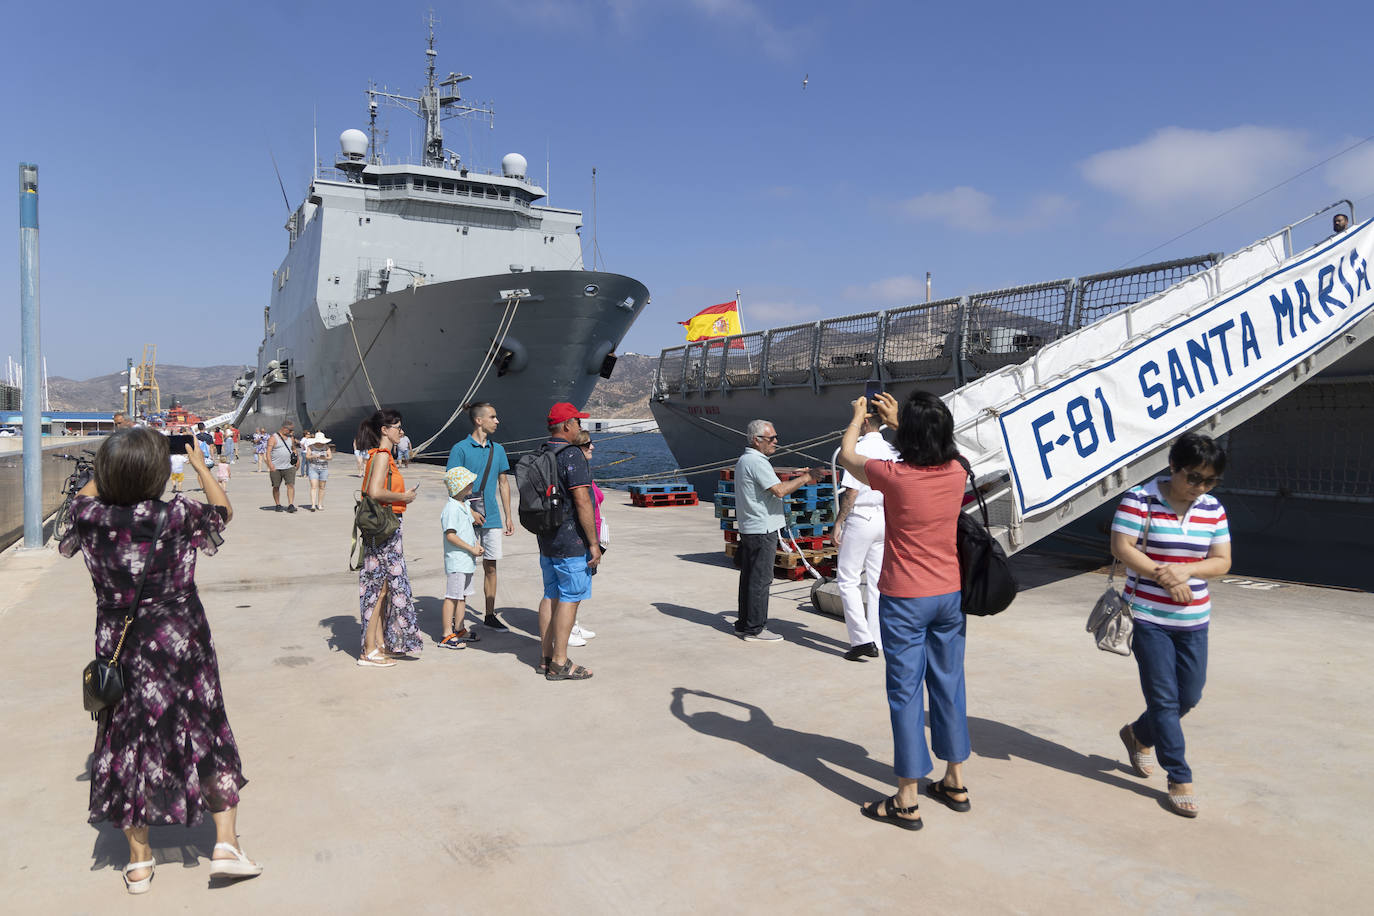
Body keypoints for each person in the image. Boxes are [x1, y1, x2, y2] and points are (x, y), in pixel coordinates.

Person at [59, 427, 262, 894]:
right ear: (158, 471)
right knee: (204, 727)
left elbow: (83, 497)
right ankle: (226, 845)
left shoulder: (89, 516)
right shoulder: (180, 513)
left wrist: (107, 466)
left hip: (121, 644)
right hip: (181, 642)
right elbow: (224, 512)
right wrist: (198, 465)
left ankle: (138, 863)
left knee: (128, 738)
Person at [839, 391, 970, 831]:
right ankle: (954, 781)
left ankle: (907, 799)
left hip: (905, 598)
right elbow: (941, 446)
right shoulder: (957, 471)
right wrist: (903, 425)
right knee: (949, 686)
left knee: (906, 694)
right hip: (949, 595)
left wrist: (860, 417)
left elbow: (847, 455)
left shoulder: (893, 476)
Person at [1111, 432, 1231, 818]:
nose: (1200, 487)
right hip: (1148, 616)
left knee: (1189, 695)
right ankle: (1179, 777)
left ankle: (1138, 734)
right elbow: (1122, 547)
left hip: (1194, 618)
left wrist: (1185, 571)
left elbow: (1222, 560)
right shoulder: (1140, 500)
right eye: (1193, 477)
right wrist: (1165, 579)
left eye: (1209, 480)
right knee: (1163, 698)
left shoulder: (1212, 508)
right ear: (1173, 467)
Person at [733, 420, 821, 641]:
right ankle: (755, 629)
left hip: (751, 527)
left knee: (750, 578)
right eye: (771, 438)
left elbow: (767, 486)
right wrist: (807, 477)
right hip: (763, 529)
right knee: (761, 579)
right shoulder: (757, 461)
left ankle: (744, 624)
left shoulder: (746, 460)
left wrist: (795, 476)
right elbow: (779, 491)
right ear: (757, 440)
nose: (776, 442)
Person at [534, 402, 601, 680]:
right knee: (570, 598)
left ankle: (546, 657)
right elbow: (583, 501)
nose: (580, 427)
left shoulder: (542, 451)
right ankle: (561, 662)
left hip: (546, 538)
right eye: (576, 422)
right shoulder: (572, 454)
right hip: (571, 541)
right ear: (566, 426)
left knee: (551, 595)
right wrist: (593, 543)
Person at [356, 408, 422, 668]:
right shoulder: (382, 455)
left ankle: (380, 644)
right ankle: (369, 650)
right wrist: (403, 497)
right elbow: (374, 491)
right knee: (379, 589)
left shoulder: (379, 456)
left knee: (382, 588)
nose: (401, 431)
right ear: (384, 430)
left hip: (385, 526)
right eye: (397, 427)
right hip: (385, 527)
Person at [833, 409, 899, 661]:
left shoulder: (859, 449)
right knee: (877, 582)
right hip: (886, 517)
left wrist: (839, 522)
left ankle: (861, 640)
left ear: (864, 422)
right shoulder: (893, 451)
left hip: (862, 517)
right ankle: (878, 637)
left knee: (847, 580)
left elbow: (851, 491)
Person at [445, 402, 515, 631]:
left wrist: (508, 516)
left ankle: (490, 613)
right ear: (479, 420)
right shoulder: (460, 449)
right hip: (467, 516)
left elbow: (503, 483)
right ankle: (458, 618)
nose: (497, 421)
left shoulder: (499, 450)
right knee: (464, 566)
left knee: (491, 565)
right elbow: (452, 485)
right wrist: (470, 511)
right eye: (493, 417)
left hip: (492, 516)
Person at [438, 466, 484, 648]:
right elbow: (450, 535)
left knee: (462, 595)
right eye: (469, 483)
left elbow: (467, 530)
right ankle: (446, 634)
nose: (472, 484)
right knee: (452, 596)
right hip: (457, 559)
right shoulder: (451, 509)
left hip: (466, 560)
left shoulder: (464, 505)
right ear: (461, 486)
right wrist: (470, 549)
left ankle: (459, 628)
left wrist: (475, 545)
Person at [569, 431, 606, 644]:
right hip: (583, 539)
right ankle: (568, 630)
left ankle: (573, 624)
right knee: (575, 586)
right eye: (588, 445)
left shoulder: (585, 472)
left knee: (582, 585)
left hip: (594, 537)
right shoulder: (577, 476)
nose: (592, 448)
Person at [265, 421, 299, 512]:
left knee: (290, 485)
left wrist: (297, 460)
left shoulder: (290, 438)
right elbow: (268, 452)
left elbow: (294, 449)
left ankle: (291, 504)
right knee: (276, 486)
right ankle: (278, 504)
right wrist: (270, 464)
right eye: (290, 430)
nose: (291, 432)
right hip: (276, 467)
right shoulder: (273, 438)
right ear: (284, 429)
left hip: (289, 466)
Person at [301, 431, 334, 511]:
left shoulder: (326, 447)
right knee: (313, 486)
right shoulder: (310, 447)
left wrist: (324, 458)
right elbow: (307, 456)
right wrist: (314, 456)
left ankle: (319, 504)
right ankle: (312, 504)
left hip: (323, 468)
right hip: (313, 468)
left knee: (322, 487)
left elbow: (330, 457)